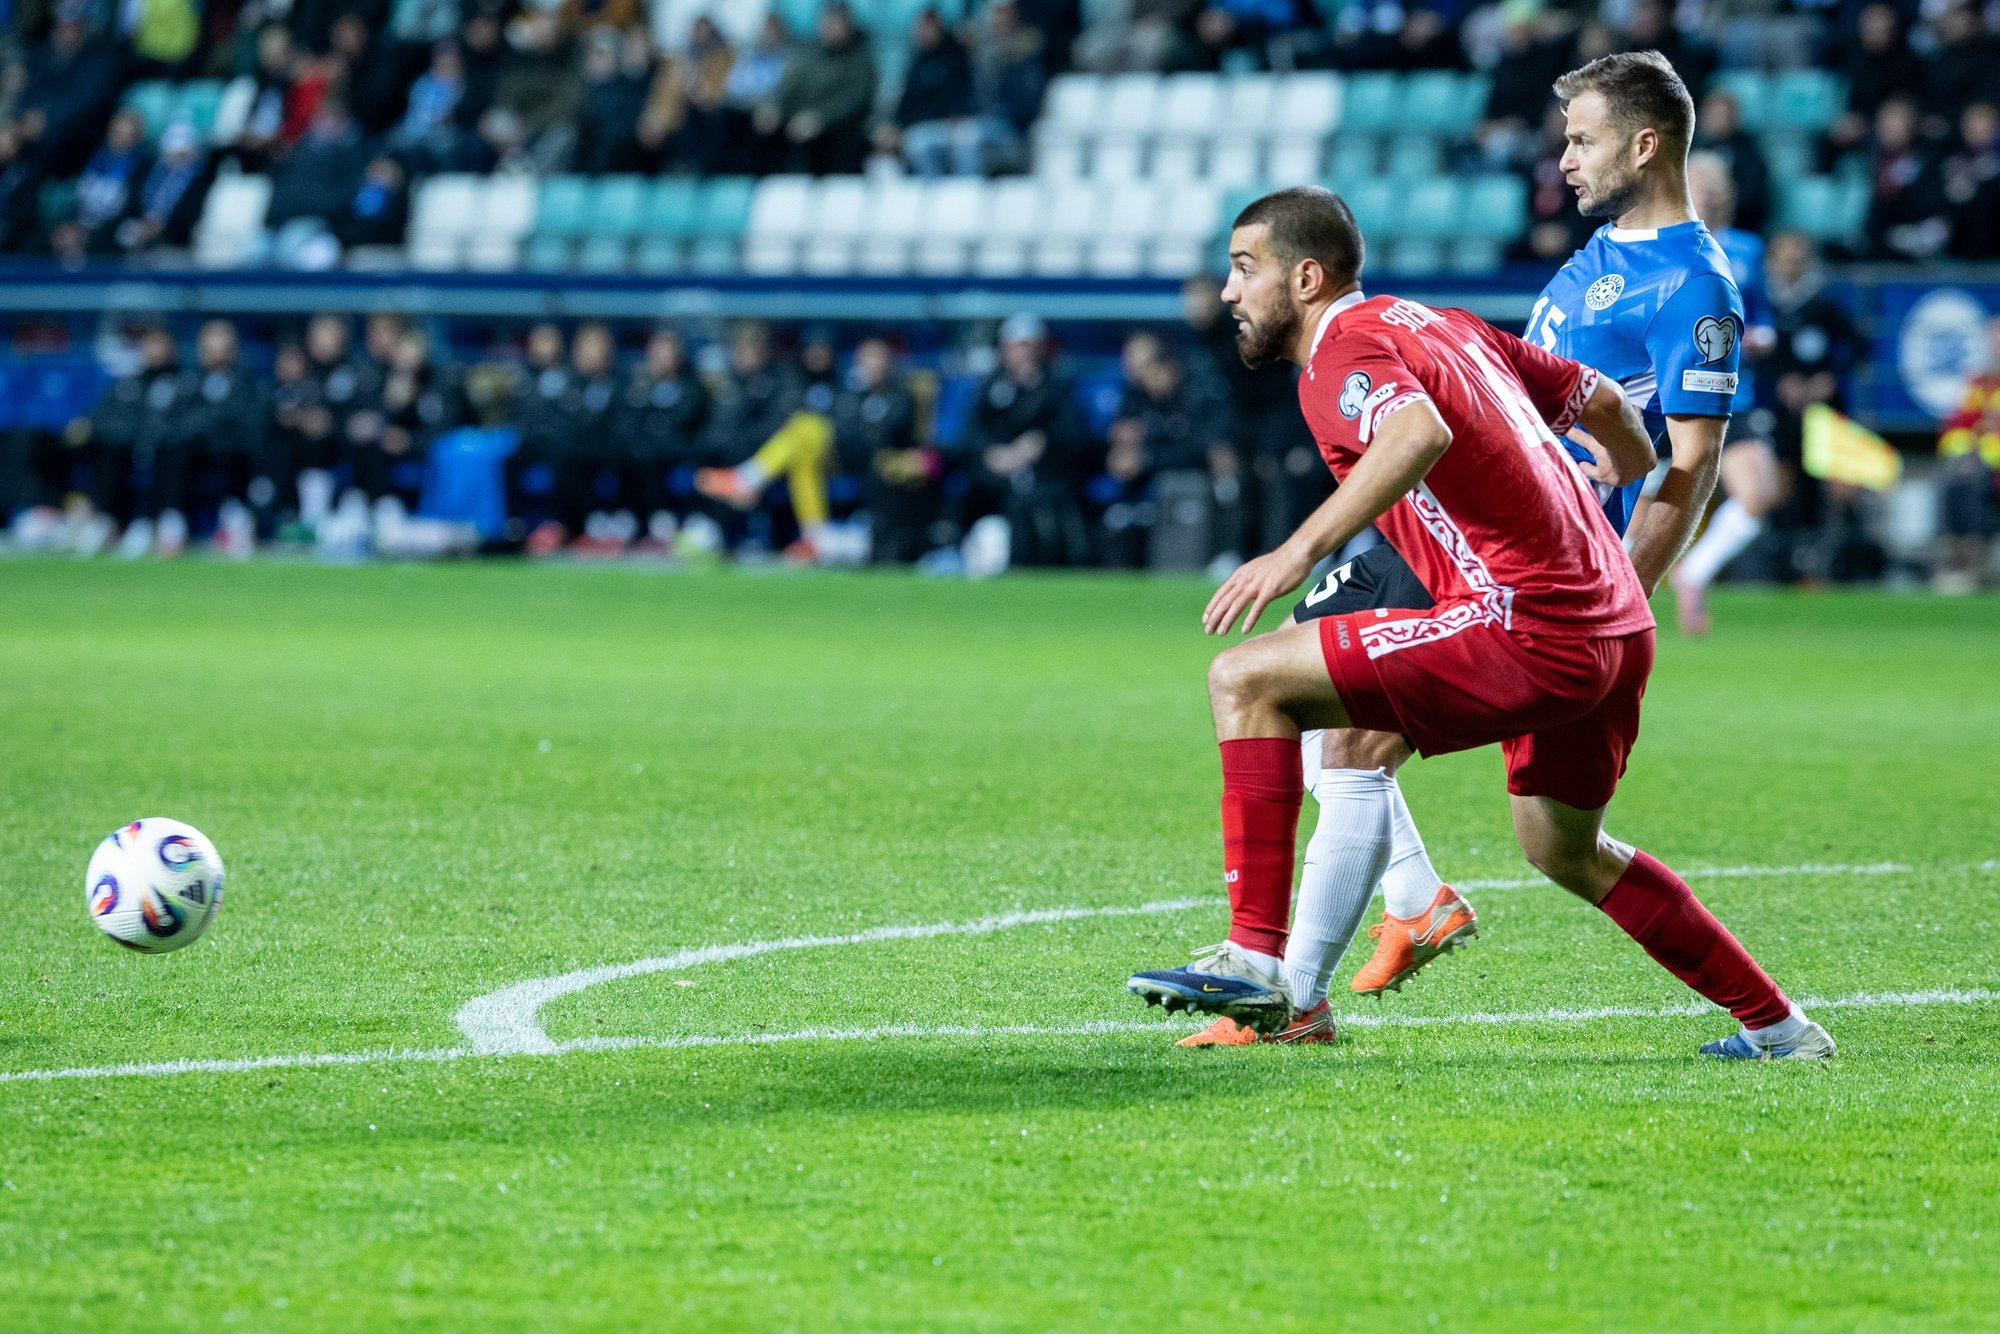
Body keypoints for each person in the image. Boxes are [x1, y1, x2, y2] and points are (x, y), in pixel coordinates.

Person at [1157, 53, 1779, 1055]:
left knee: (1267, 688)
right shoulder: (1538, 280)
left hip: (1516, 572)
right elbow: (1607, 407)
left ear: (1643, 143)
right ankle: (1778, 1024)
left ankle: (1276, 974)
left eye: (1578, 139)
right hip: (1558, 581)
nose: (1562, 158)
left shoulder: (1690, 281)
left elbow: (1680, 461)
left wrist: (1293, 547)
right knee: (1553, 842)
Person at [1668, 151, 1779, 633]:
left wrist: (1756, 337)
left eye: (1714, 189)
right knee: (1642, 488)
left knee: (1758, 494)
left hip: (1736, 394)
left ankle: (1692, 573)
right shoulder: (1667, 247)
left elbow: (1764, 319)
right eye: (1698, 187)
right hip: (1671, 395)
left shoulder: (1747, 250)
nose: (1707, 196)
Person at [952, 313, 1092, 567]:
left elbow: (1074, 435)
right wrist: (991, 454)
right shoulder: (989, 387)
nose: (1022, 354)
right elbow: (971, 434)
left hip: (1046, 476)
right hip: (994, 479)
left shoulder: (1056, 388)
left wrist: (1040, 443)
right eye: (1015, 347)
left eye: (1028, 347)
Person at [1935, 316, 2000, 594]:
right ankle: (1955, 565)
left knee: (1977, 485)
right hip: (1977, 466)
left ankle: (1977, 568)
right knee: (1954, 482)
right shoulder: (1977, 384)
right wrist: (1967, 452)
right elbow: (1954, 427)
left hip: (1990, 469)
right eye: (1993, 342)